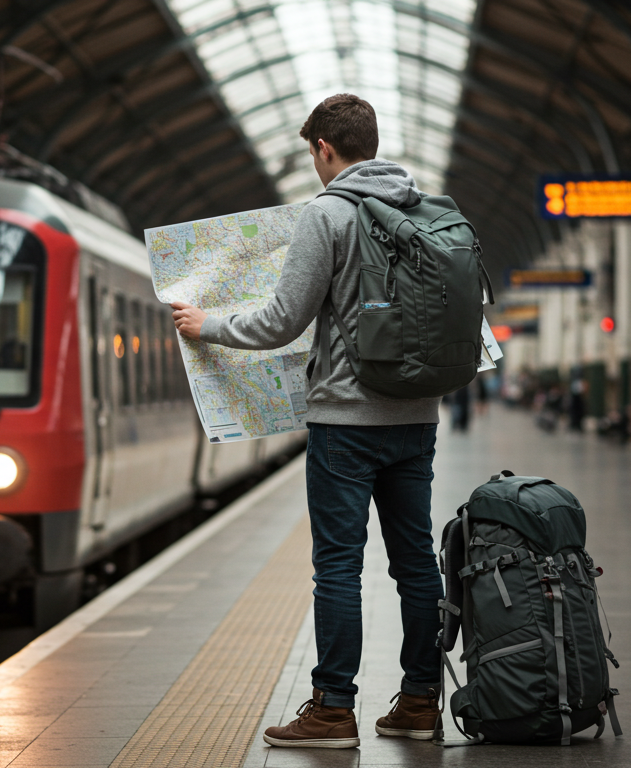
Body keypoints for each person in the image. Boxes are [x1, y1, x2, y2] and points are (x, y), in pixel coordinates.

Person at [171, 94, 444, 749]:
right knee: (415, 565)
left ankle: (331, 710)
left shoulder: (328, 215)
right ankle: (420, 701)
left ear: (325, 148)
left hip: (346, 422)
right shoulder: (426, 212)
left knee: (339, 568)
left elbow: (282, 320)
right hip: (416, 417)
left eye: (311, 154)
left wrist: (208, 325)